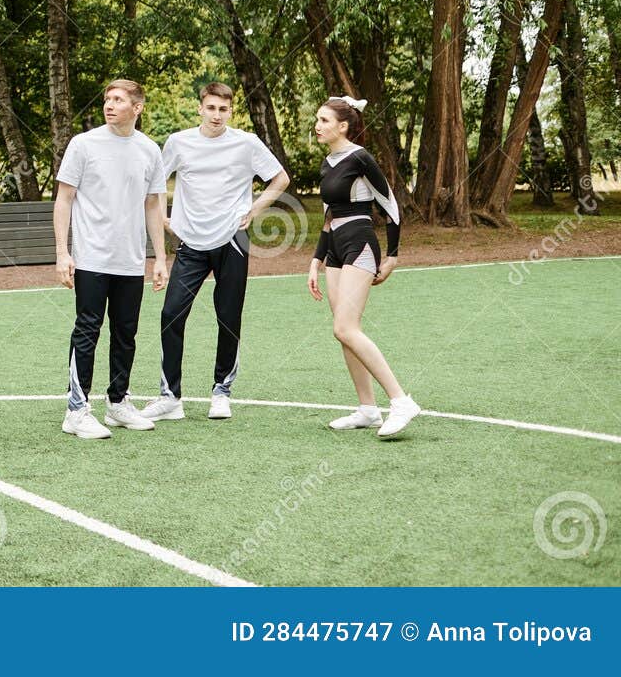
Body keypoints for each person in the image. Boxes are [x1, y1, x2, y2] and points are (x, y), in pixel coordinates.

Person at [140, 82, 290, 422]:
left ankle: (221, 391)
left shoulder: (247, 144)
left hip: (232, 240)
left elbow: (280, 179)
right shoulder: (179, 142)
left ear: (230, 111)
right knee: (171, 314)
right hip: (191, 242)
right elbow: (154, 184)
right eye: (211, 108)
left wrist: (254, 208)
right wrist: (164, 218)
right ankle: (170, 397)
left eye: (223, 109)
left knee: (228, 316)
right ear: (200, 109)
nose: (216, 115)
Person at [53, 79, 168, 439]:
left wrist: (160, 257)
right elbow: (64, 199)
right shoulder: (83, 145)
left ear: (138, 108)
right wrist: (62, 252)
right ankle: (76, 410)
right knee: (87, 329)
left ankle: (117, 403)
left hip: (130, 260)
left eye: (119, 99)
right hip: (90, 258)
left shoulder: (150, 150)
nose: (110, 104)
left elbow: (153, 205)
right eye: (107, 99)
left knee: (126, 333)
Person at [307, 96, 421, 438]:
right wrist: (315, 262)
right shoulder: (328, 162)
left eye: (324, 120)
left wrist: (393, 255)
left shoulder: (360, 157)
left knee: (346, 328)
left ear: (343, 126)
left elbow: (390, 205)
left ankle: (401, 401)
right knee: (344, 335)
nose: (318, 125)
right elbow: (328, 218)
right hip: (336, 250)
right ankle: (367, 409)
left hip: (360, 242)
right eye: (318, 119)